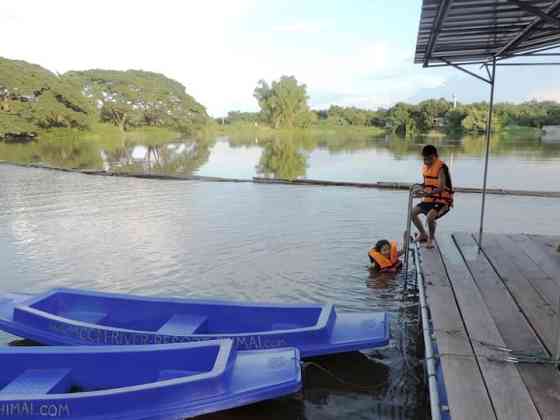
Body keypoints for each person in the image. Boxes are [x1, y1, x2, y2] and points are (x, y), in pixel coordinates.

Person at [411, 145, 454, 249]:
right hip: (429, 199)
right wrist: (419, 188)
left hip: (442, 201)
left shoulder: (441, 168)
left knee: (430, 217)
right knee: (412, 213)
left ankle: (430, 239)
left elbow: (441, 187)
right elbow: (427, 184)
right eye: (425, 159)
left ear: (435, 156)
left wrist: (426, 194)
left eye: (429, 159)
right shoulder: (425, 167)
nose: (427, 161)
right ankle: (423, 234)